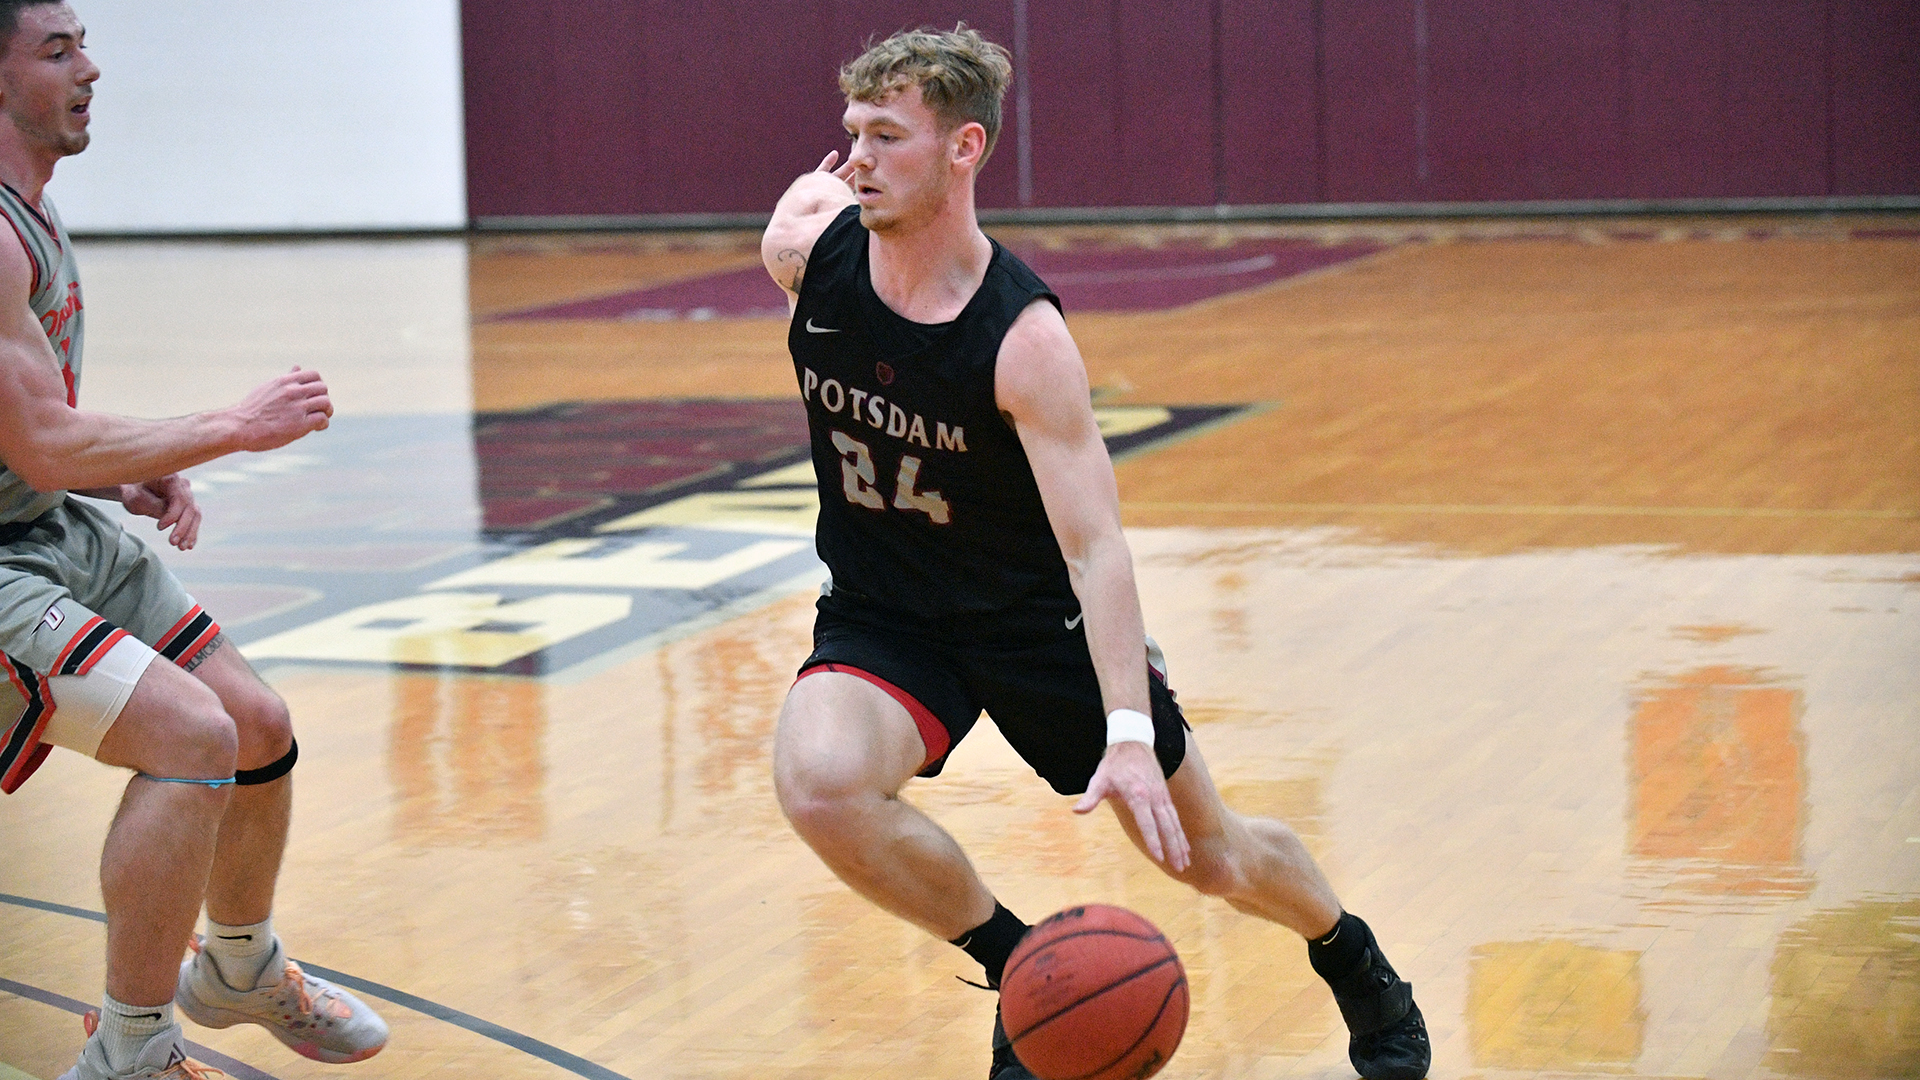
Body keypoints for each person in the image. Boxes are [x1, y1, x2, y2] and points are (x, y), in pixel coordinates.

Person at [762, 25, 1429, 1080]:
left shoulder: (1023, 338)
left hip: (1037, 621)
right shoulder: (807, 250)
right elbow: (805, 216)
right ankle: (1023, 963)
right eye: (853, 132)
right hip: (887, 611)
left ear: (963, 148)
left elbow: (1097, 547)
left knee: (1212, 858)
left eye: (889, 136)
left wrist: (1126, 728)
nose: (860, 158)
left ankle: (1352, 956)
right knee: (819, 783)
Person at [0, 4, 388, 1077]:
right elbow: (35, 439)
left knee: (255, 722)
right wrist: (232, 427)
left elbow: (26, 430)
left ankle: (237, 965)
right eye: (57, 48)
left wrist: (115, 462)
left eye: (83, 42)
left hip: (45, 520)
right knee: (191, 738)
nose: (92, 66)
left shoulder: (31, 208)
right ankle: (131, 1051)